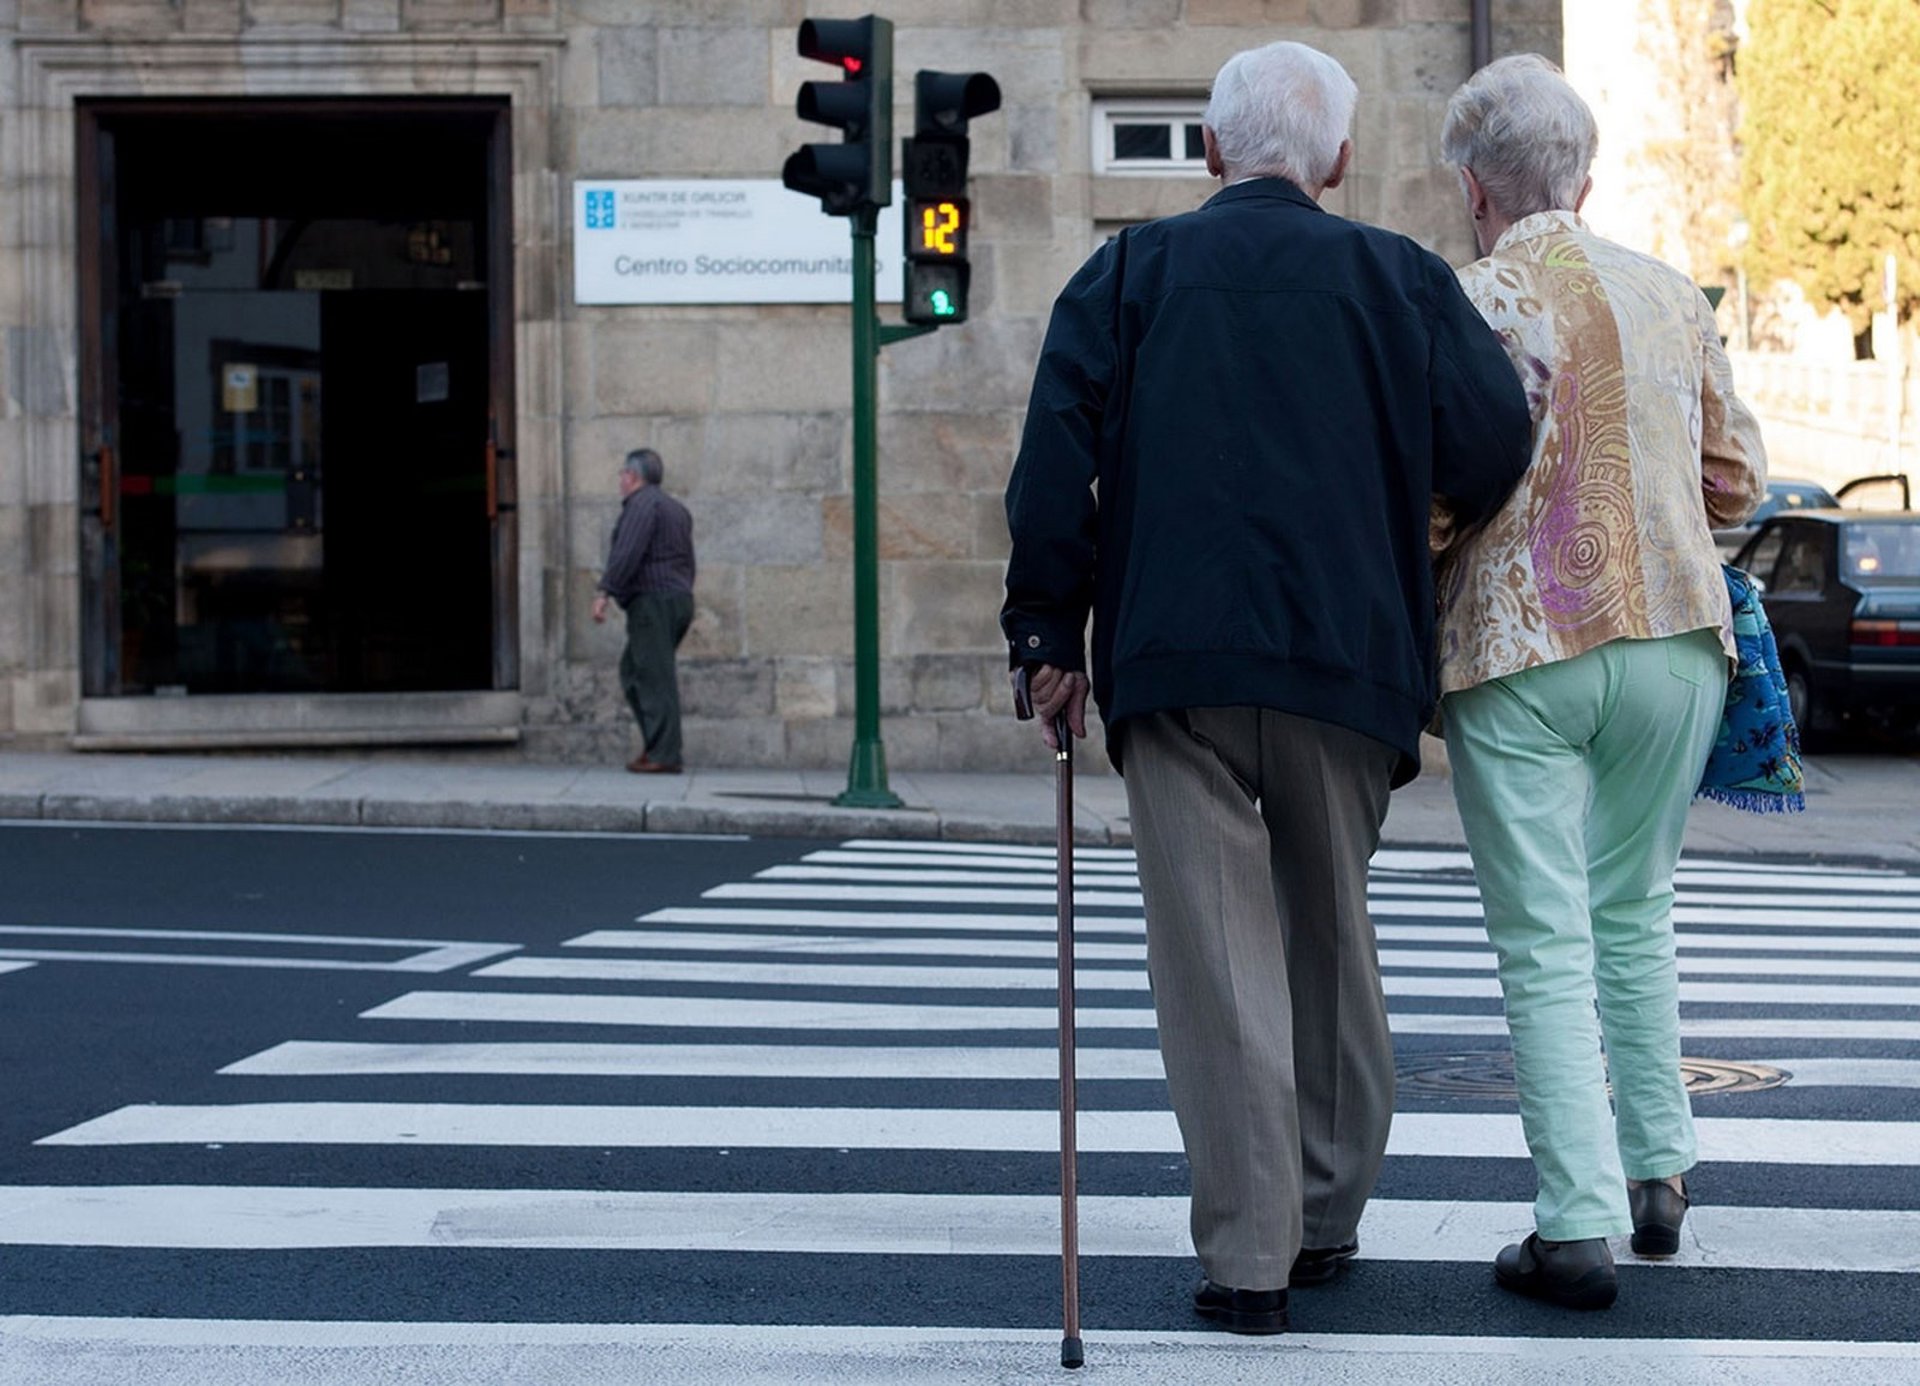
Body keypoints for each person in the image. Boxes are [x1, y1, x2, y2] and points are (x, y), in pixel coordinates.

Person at [1001, 40, 1532, 1335]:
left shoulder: (1126, 273)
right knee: (1329, 935)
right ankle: (1329, 1211)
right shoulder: (1399, 279)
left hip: (1176, 664)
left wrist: (1046, 635)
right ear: (1340, 160)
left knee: (1216, 962)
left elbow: (1051, 459)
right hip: (1345, 662)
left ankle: (1249, 1254)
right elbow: (1494, 440)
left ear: (1209, 152)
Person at [1433, 54, 1767, 1310]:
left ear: (1473, 186)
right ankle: (1662, 1175)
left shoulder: (1469, 296)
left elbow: (1438, 486)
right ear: (1589, 174)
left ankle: (1572, 1226)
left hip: (1521, 645)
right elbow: (1734, 478)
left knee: (1542, 936)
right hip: (1680, 639)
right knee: (1637, 908)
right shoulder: (1675, 295)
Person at [592, 447, 696, 774]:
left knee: (652, 677)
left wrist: (604, 591)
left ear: (633, 476)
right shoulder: (676, 509)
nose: (620, 481)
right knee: (636, 672)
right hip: (678, 599)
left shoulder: (640, 505)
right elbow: (688, 561)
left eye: (622, 474)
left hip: (653, 601)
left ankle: (665, 753)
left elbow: (627, 553)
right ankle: (656, 746)